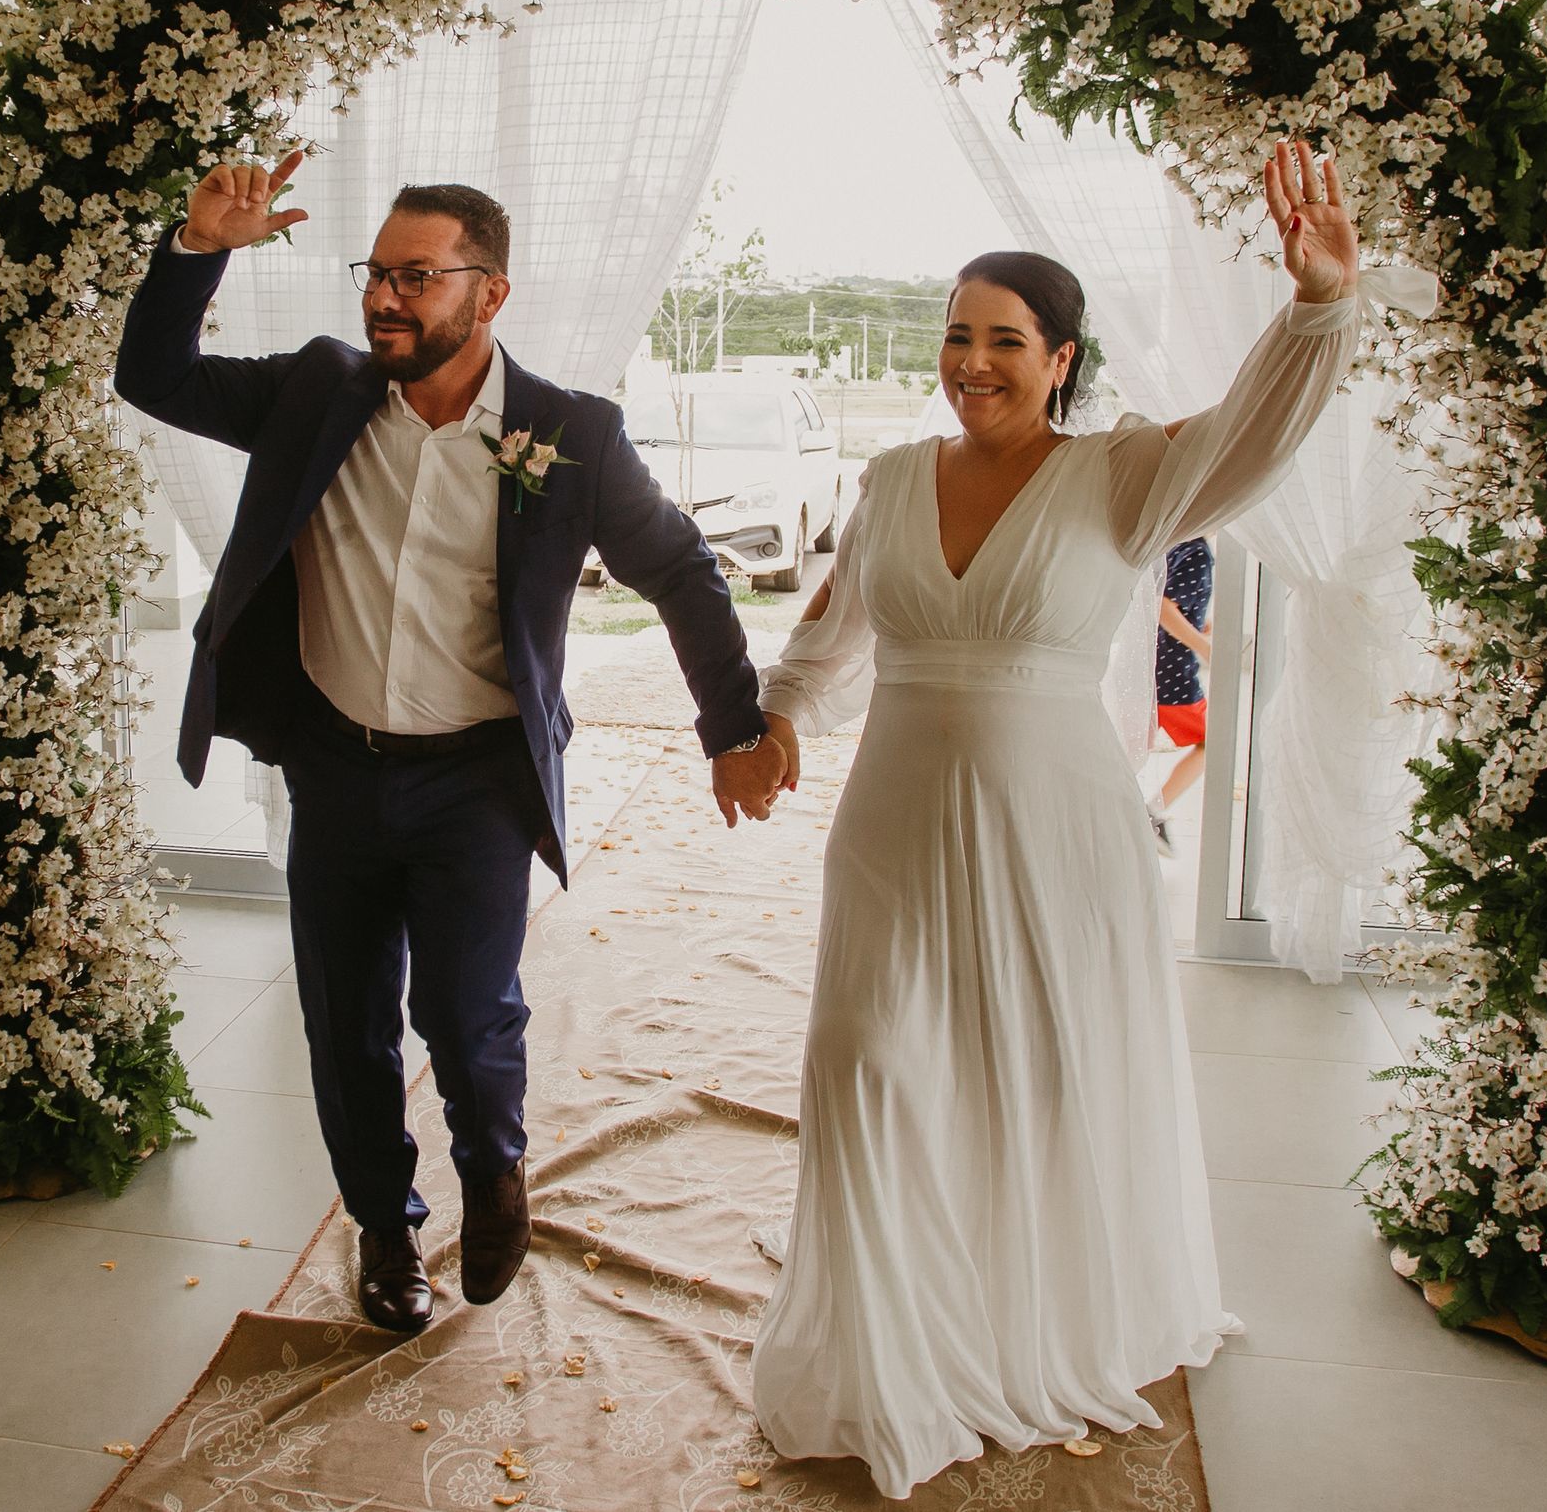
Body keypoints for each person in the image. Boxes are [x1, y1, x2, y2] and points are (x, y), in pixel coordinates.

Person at [748, 141, 1431, 1498]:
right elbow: (829, 632)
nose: (973, 360)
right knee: (866, 1062)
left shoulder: (1123, 473)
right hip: (888, 825)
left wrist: (1319, 309)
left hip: (1056, 830)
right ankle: (889, 1334)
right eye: (956, 335)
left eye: (1005, 339)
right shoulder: (887, 477)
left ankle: (1032, 1312)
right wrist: (774, 724)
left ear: (1061, 357)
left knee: (1035, 1077)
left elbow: (1254, 432)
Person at [114, 155, 789, 1334]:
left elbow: (678, 568)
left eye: (416, 277)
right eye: (376, 274)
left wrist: (732, 724)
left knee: (468, 1016)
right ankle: (384, 1224)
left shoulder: (569, 434)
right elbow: (152, 374)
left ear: (492, 293)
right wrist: (198, 245)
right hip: (331, 766)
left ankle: (493, 1166)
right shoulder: (316, 392)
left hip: (476, 776)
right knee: (345, 1018)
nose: (385, 298)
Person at [1148, 535, 1214, 854]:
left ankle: (1148, 813)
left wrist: (1202, 627)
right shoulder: (1198, 553)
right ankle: (1151, 814)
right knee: (1214, 744)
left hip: (1160, 666)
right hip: (1174, 672)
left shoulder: (1179, 545)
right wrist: (1206, 648)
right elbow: (1164, 608)